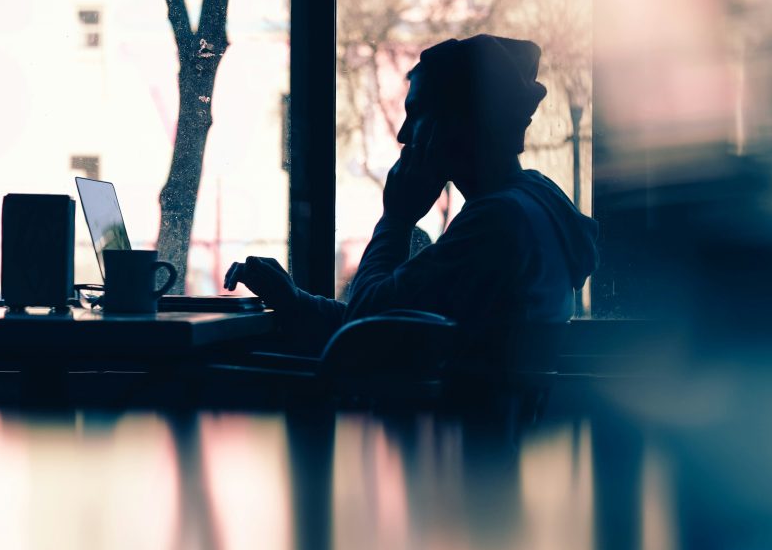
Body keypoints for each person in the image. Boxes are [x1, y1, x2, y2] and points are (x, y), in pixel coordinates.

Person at [225, 34, 600, 354]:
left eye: (417, 113)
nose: (404, 135)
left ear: (461, 122)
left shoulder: (496, 223)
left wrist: (397, 219)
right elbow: (391, 315)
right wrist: (294, 301)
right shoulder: (533, 202)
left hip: (445, 432)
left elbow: (363, 331)